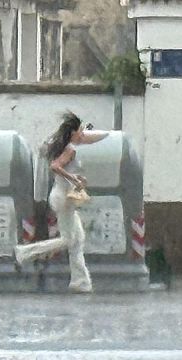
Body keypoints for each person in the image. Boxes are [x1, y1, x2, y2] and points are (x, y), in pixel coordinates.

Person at [15, 113, 109, 293]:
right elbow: (55, 166)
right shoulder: (71, 148)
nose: (83, 133)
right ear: (73, 133)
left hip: (64, 197)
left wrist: (109, 134)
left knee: (78, 239)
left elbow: (90, 139)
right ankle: (24, 253)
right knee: (68, 240)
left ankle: (80, 282)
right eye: (80, 130)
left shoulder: (69, 145)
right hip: (63, 199)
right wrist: (74, 178)